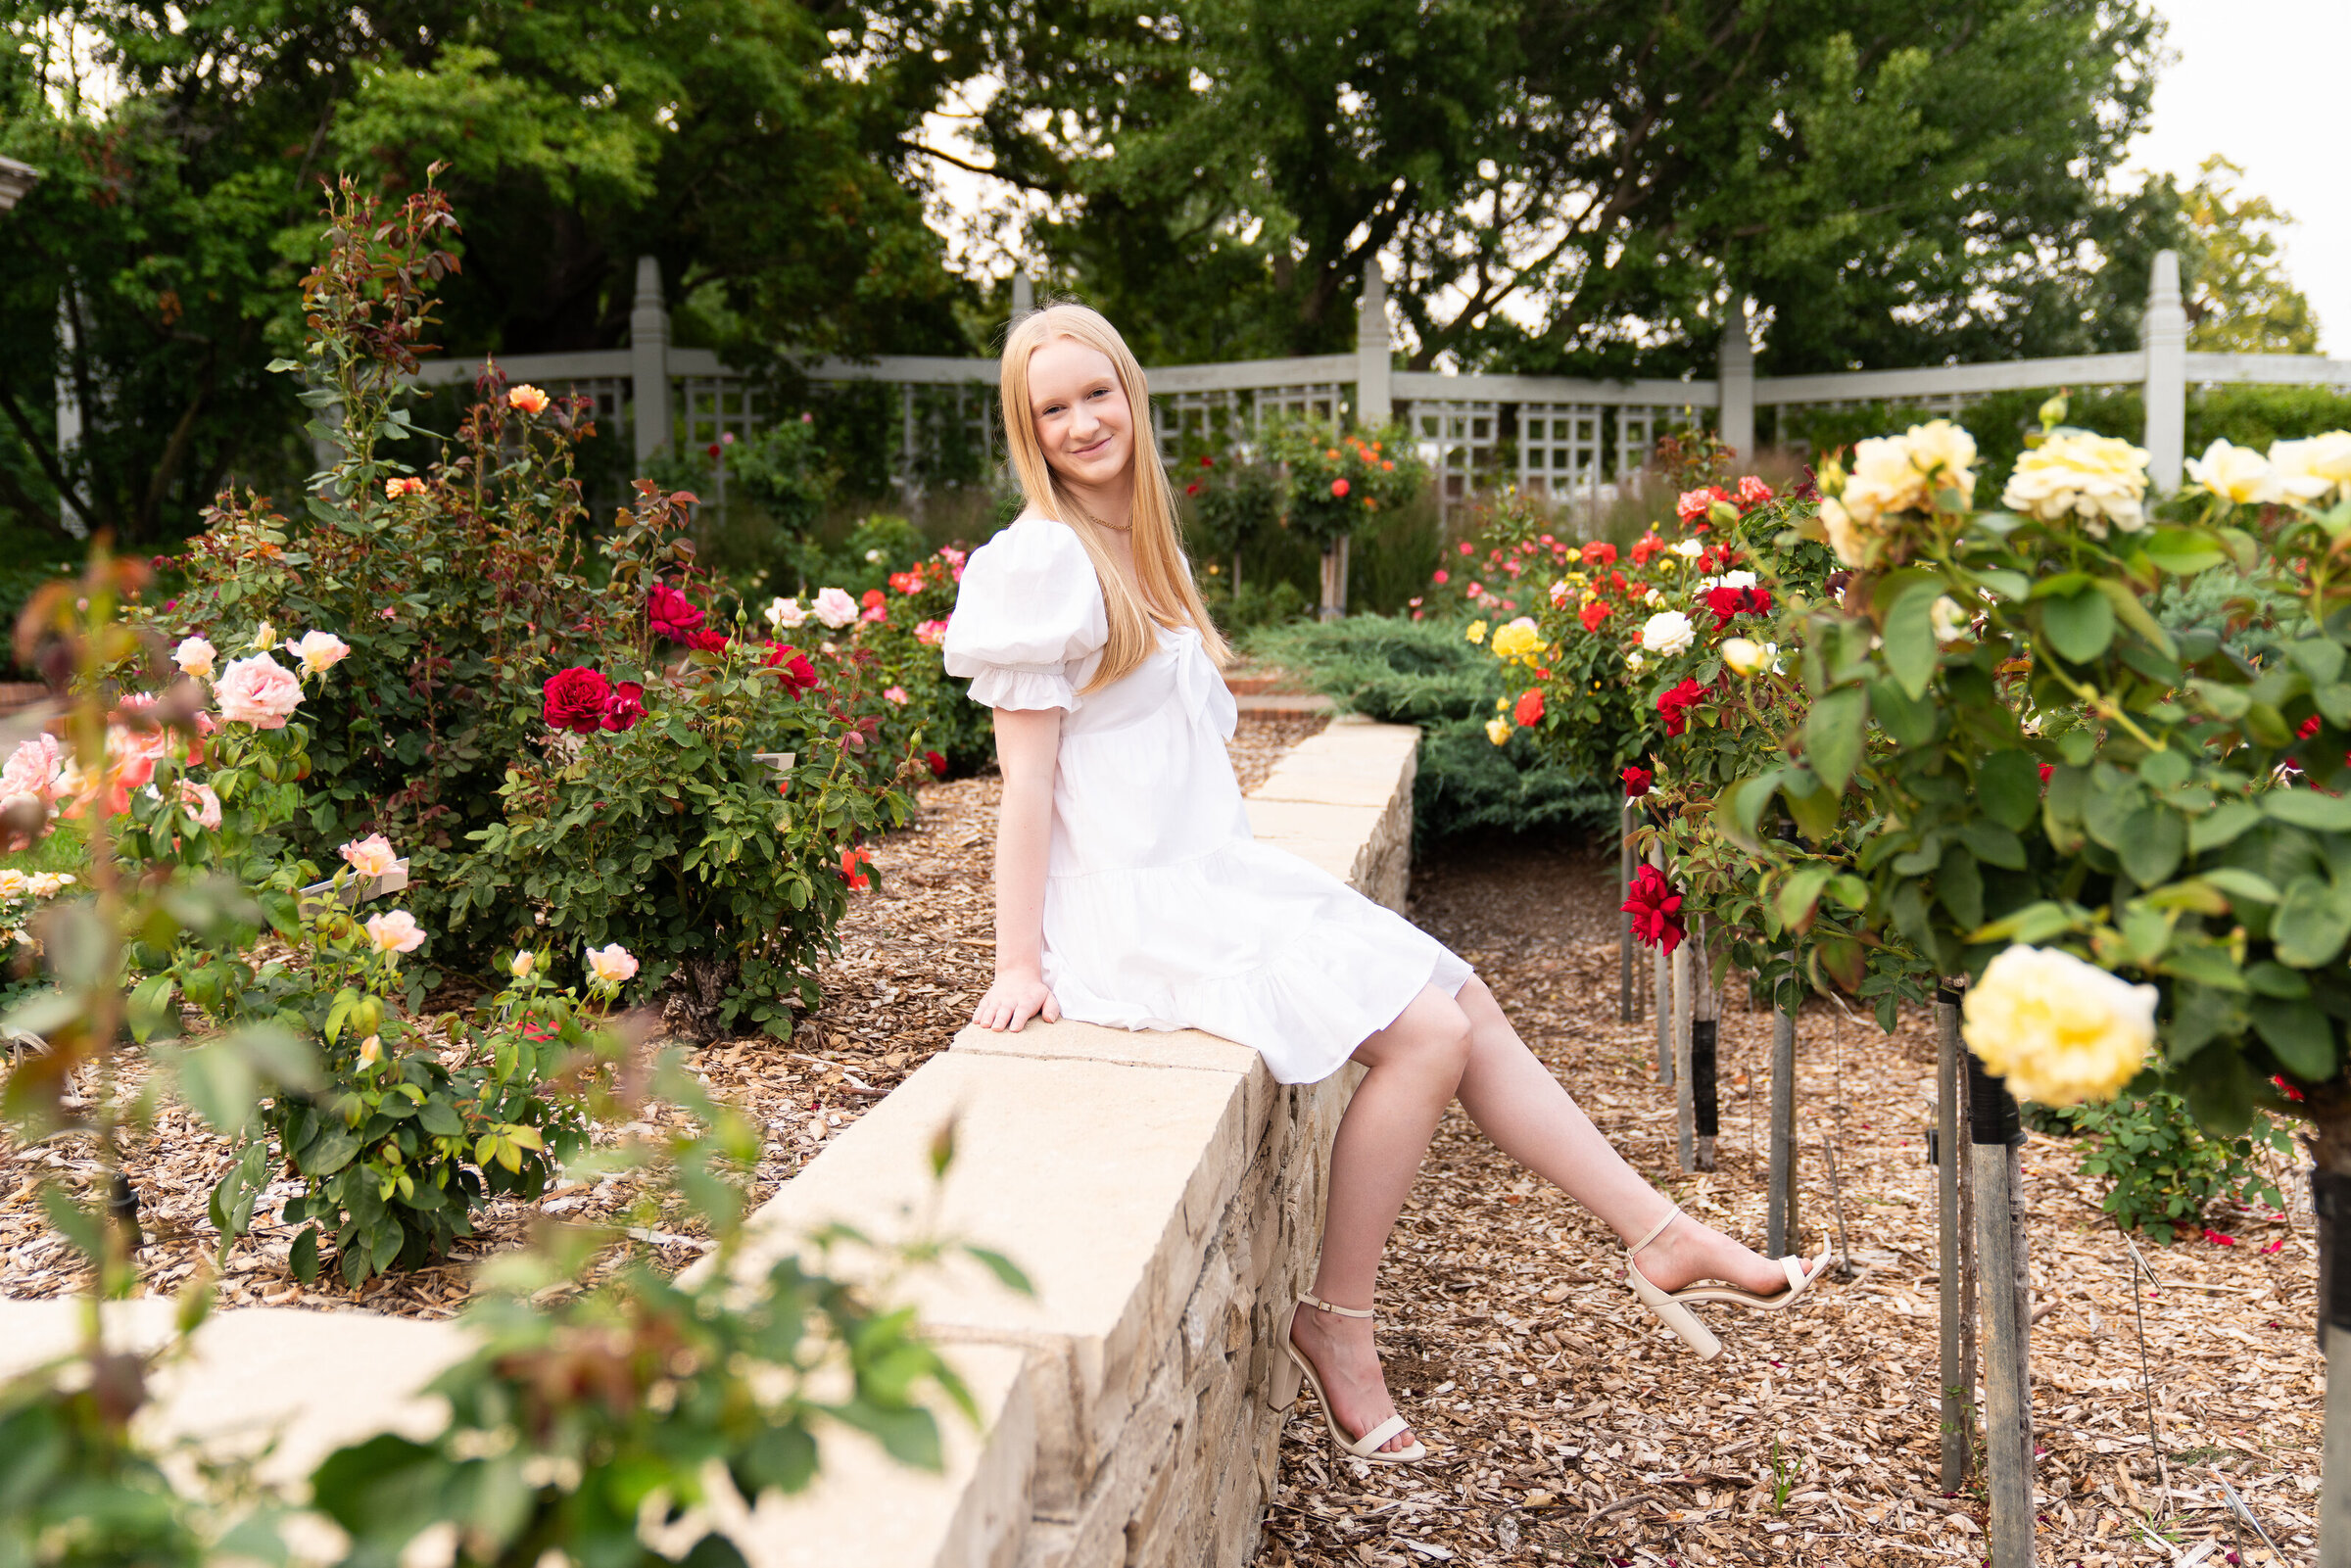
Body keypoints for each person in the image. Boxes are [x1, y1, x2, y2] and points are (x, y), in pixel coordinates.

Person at [944, 303, 1828, 1465]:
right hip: (1132, 906)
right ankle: (1337, 1322)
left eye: (1095, 392)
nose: (1082, 421)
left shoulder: (1140, 553)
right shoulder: (1045, 560)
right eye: (1051, 408)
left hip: (1214, 875)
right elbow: (1024, 791)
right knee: (1423, 1036)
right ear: (1031, 430)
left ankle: (1659, 1229)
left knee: (1463, 1001)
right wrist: (1019, 963)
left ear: (1131, 392)